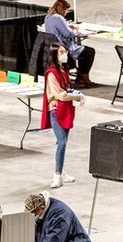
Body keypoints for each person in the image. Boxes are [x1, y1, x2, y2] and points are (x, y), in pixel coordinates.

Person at [42, 44, 84, 190]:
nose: (65, 54)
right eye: (61, 52)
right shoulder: (52, 73)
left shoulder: (63, 70)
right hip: (56, 110)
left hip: (66, 109)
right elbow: (60, 94)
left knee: (63, 141)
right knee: (62, 142)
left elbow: (66, 89)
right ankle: (57, 175)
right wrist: (77, 97)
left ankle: (61, 171)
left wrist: (75, 94)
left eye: (65, 51)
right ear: (54, 55)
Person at [44, 0, 97, 88]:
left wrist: (67, 26)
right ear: (62, 9)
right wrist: (75, 30)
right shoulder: (59, 18)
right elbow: (68, 34)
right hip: (64, 47)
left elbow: (57, 28)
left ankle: (80, 77)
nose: (67, 12)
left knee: (84, 51)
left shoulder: (48, 16)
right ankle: (83, 77)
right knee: (89, 51)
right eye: (66, 10)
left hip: (52, 46)